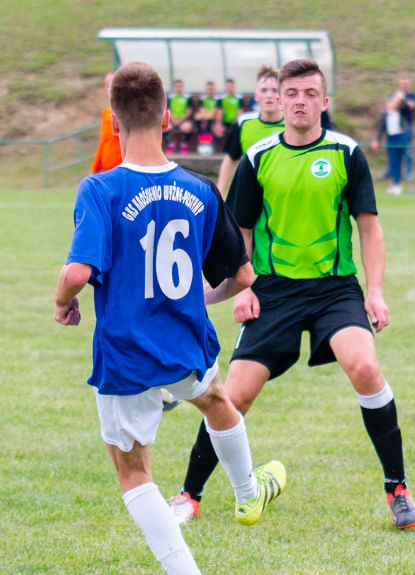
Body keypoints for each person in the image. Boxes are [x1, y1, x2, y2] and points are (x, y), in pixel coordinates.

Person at [168, 58, 415, 530]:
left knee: (365, 366)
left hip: (335, 289)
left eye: (310, 93)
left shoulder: (347, 153)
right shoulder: (259, 158)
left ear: (324, 102)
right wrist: (241, 288)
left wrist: (377, 291)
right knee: (234, 397)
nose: (300, 101)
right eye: (292, 94)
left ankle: (398, 489)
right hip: (273, 291)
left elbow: (369, 228)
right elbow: (238, 234)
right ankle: (189, 494)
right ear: (278, 100)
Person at [53, 61, 285, 575]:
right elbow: (242, 277)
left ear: (113, 122)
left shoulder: (101, 190)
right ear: (166, 119)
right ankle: (248, 492)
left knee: (133, 471)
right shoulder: (201, 189)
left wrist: (61, 301)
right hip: (186, 343)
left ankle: (186, 570)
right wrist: (201, 295)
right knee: (216, 399)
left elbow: (77, 271)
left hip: (126, 355)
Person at [216, 66, 285, 195]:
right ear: (256, 96)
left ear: (282, 95)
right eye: (264, 90)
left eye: (275, 90)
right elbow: (230, 159)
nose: (269, 95)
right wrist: (220, 193)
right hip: (249, 195)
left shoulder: (292, 125)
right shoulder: (244, 123)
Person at [372, 92, 411, 195]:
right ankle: (396, 184)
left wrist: (401, 98)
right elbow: (381, 128)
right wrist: (377, 140)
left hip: (400, 138)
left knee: (399, 161)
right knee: (393, 162)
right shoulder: (385, 115)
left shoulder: (400, 112)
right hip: (391, 139)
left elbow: (407, 107)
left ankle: (397, 184)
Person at [90, 72, 123, 173]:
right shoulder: (106, 113)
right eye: (109, 85)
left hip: (122, 172)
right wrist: (94, 168)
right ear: (105, 89)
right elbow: (103, 142)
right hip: (107, 172)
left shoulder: (128, 113)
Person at [165, 79, 196, 154]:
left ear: (182, 87)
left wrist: (180, 119)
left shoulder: (187, 97)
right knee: (164, 127)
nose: (178, 87)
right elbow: (168, 109)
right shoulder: (170, 97)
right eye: (176, 86)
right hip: (172, 119)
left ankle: (184, 142)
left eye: (180, 86)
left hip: (184, 120)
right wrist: (173, 119)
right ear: (174, 87)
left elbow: (189, 111)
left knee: (187, 127)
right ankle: (171, 142)